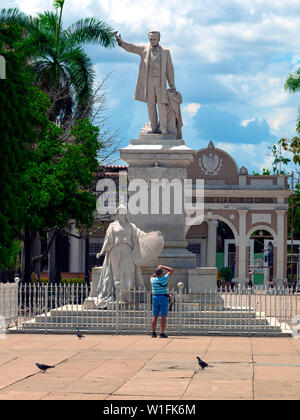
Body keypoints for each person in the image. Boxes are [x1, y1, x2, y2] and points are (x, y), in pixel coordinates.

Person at [114, 30, 176, 135]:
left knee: (162, 104)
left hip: (160, 81)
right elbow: (132, 48)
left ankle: (163, 128)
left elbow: (169, 69)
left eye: (154, 39)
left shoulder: (165, 51)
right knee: (150, 104)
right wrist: (121, 42)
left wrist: (172, 84)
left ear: (159, 39)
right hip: (149, 81)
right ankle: (153, 127)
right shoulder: (144, 49)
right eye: (150, 39)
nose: (152, 41)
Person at [96, 204, 146, 308]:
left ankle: (127, 297)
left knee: (128, 273)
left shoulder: (131, 226)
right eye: (120, 213)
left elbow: (137, 240)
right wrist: (101, 252)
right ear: (117, 213)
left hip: (128, 250)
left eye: (124, 213)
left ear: (126, 214)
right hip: (115, 250)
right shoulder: (112, 226)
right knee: (116, 275)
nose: (122, 215)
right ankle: (117, 297)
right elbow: (108, 240)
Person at [150, 264, 173, 338]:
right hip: (163, 297)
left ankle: (153, 333)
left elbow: (152, 276)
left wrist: (156, 272)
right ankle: (161, 333)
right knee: (163, 317)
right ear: (162, 273)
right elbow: (171, 270)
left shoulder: (153, 280)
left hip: (155, 297)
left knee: (155, 316)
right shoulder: (164, 278)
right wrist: (162, 266)